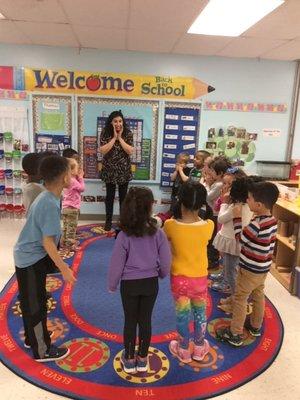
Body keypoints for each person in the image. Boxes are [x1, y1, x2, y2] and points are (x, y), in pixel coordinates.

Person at [14, 155, 77, 362]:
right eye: (70, 171)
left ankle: (32, 339)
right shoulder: (49, 201)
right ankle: (42, 350)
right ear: (63, 178)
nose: (72, 175)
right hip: (30, 259)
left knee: (34, 300)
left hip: (33, 257)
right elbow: (48, 242)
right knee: (35, 306)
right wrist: (64, 269)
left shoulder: (49, 196)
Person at [108, 187, 171, 374]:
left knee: (130, 321)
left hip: (129, 285)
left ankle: (128, 358)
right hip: (150, 282)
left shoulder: (124, 235)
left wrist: (112, 284)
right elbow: (166, 260)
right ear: (150, 207)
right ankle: (143, 359)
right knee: (145, 321)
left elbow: (116, 263)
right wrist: (161, 273)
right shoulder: (158, 232)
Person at [216, 181, 279, 346]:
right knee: (258, 294)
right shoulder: (271, 220)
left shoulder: (257, 224)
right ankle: (255, 326)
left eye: (249, 199)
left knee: (240, 298)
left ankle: (235, 333)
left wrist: (237, 218)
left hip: (250, 269)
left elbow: (241, 239)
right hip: (262, 268)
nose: (247, 201)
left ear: (258, 204)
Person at [164, 182, 214, 363]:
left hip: (179, 279)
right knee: (200, 313)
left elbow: (163, 242)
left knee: (182, 314)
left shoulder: (170, 225)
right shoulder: (209, 225)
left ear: (180, 200)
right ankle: (199, 348)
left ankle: (183, 349)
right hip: (200, 278)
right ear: (202, 203)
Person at [212, 177, 253, 300]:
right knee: (231, 268)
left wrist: (224, 202)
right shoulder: (246, 205)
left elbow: (220, 219)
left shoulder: (236, 207)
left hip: (232, 242)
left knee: (231, 272)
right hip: (234, 241)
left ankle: (236, 299)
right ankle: (234, 297)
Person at [99, 110, 134, 231]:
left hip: (124, 171)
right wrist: (114, 138)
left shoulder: (128, 133)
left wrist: (120, 138)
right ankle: (108, 221)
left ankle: (123, 222)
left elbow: (130, 151)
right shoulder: (105, 133)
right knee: (109, 197)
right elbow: (103, 150)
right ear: (111, 122)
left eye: (120, 121)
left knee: (124, 198)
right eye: (115, 121)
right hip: (109, 170)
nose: (118, 124)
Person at [62, 158, 85, 250]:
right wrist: (81, 178)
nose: (78, 170)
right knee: (72, 227)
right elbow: (82, 188)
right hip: (72, 208)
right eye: (76, 168)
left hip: (65, 208)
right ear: (71, 171)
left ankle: (63, 241)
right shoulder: (73, 181)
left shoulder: (66, 179)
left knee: (66, 226)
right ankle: (70, 245)